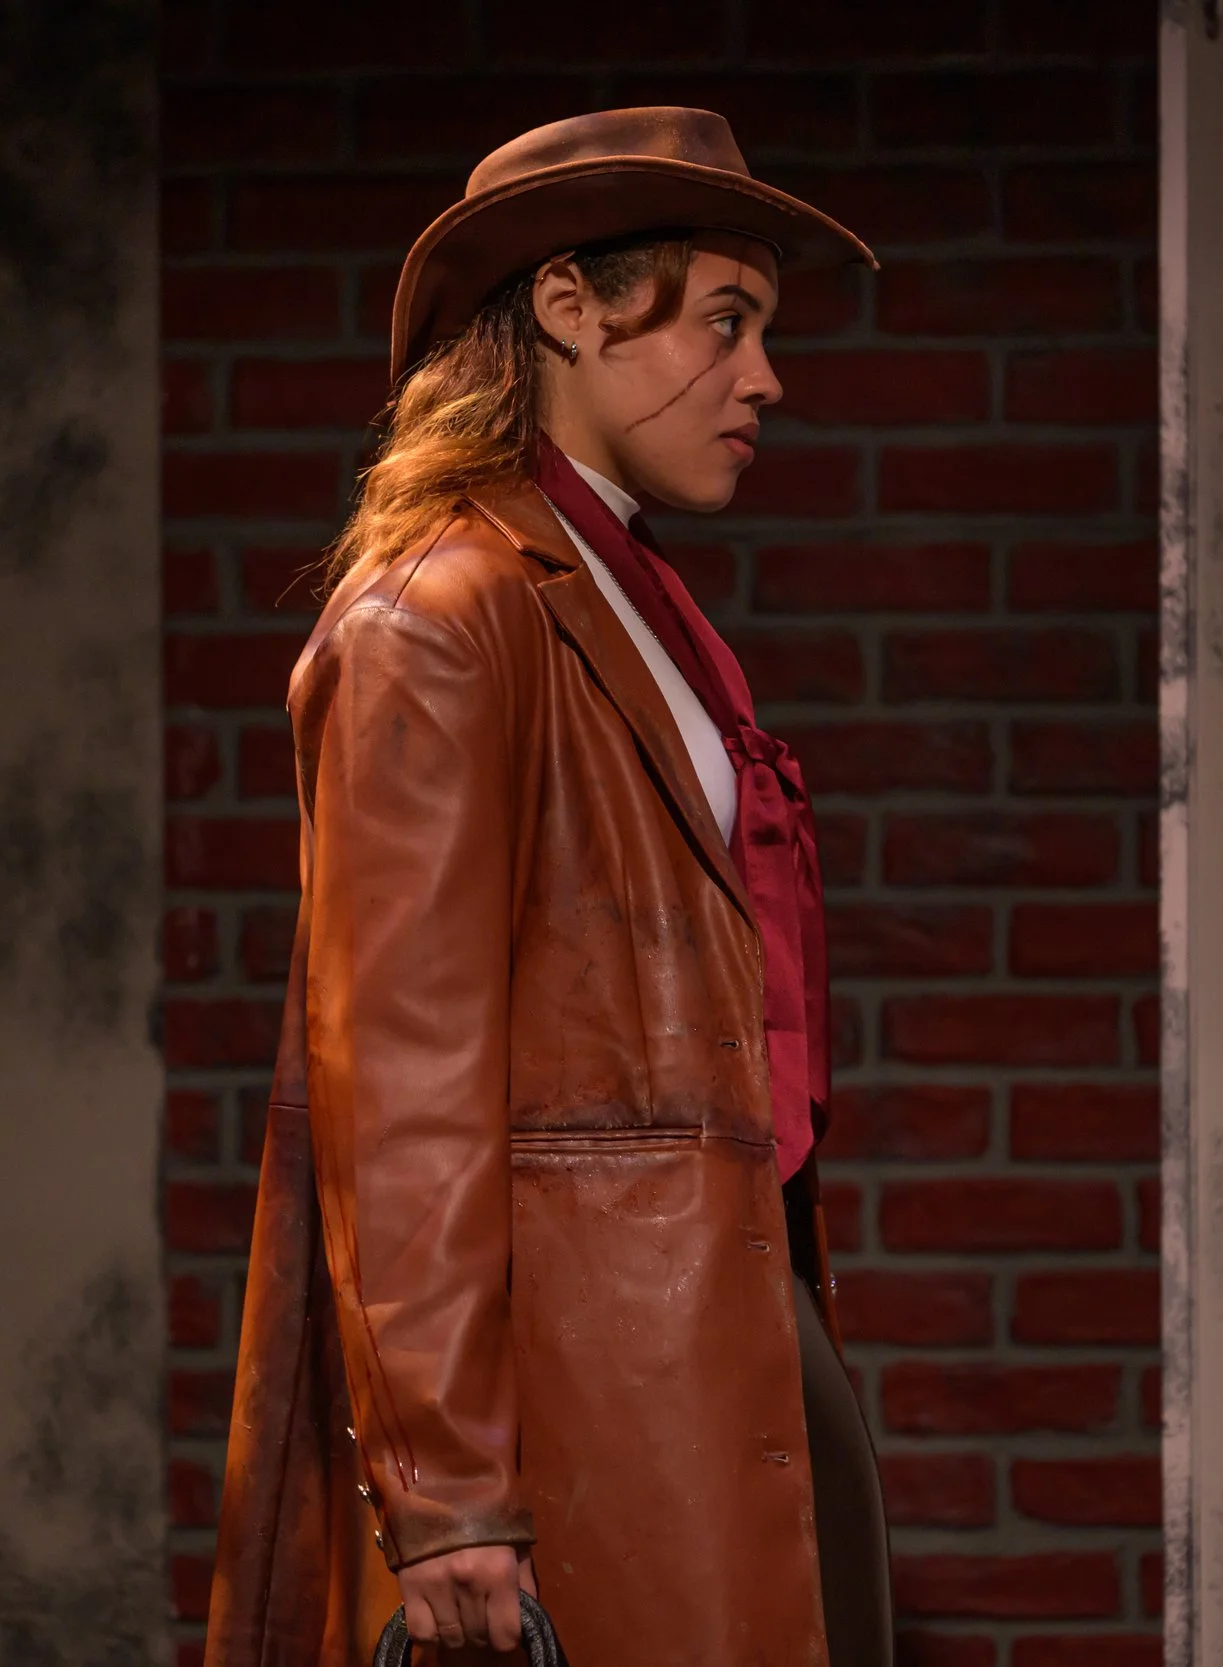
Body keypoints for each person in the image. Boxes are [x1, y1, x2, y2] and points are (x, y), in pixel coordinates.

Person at [203, 107, 893, 1667]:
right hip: (584, 1391)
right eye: (724, 320)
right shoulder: (444, 616)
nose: (765, 376)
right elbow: (403, 1080)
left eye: (764, 330)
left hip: (722, 1327)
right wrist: (446, 1485)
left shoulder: (629, 604)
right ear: (572, 308)